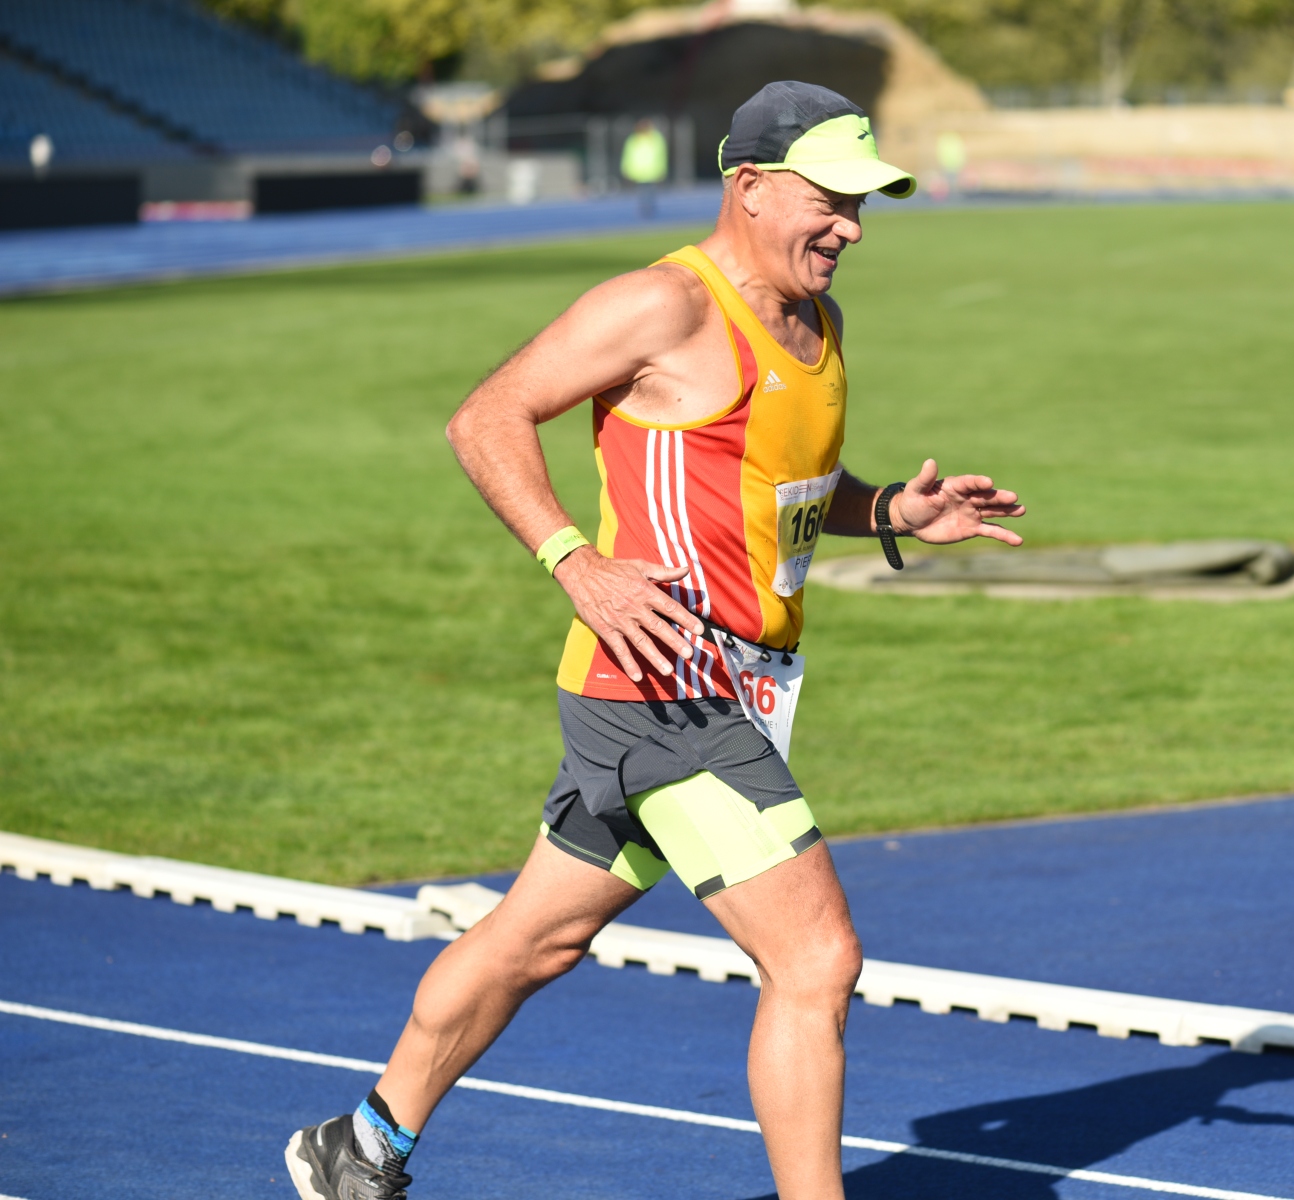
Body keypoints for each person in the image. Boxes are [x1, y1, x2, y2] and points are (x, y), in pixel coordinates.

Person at [284, 81, 1026, 1200]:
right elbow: (485, 416)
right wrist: (573, 561)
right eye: (830, 201)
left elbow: (778, 485)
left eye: (862, 205)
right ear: (751, 186)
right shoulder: (663, 305)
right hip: (667, 691)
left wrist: (889, 512)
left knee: (538, 939)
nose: (852, 229)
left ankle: (361, 1147)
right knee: (815, 958)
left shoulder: (815, 323)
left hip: (720, 692)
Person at [620, 117, 670, 218]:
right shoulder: (633, 140)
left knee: (650, 192)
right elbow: (628, 155)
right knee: (642, 193)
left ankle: (650, 210)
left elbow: (661, 155)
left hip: (652, 172)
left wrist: (662, 169)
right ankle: (644, 210)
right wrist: (626, 169)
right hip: (638, 172)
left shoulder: (656, 139)